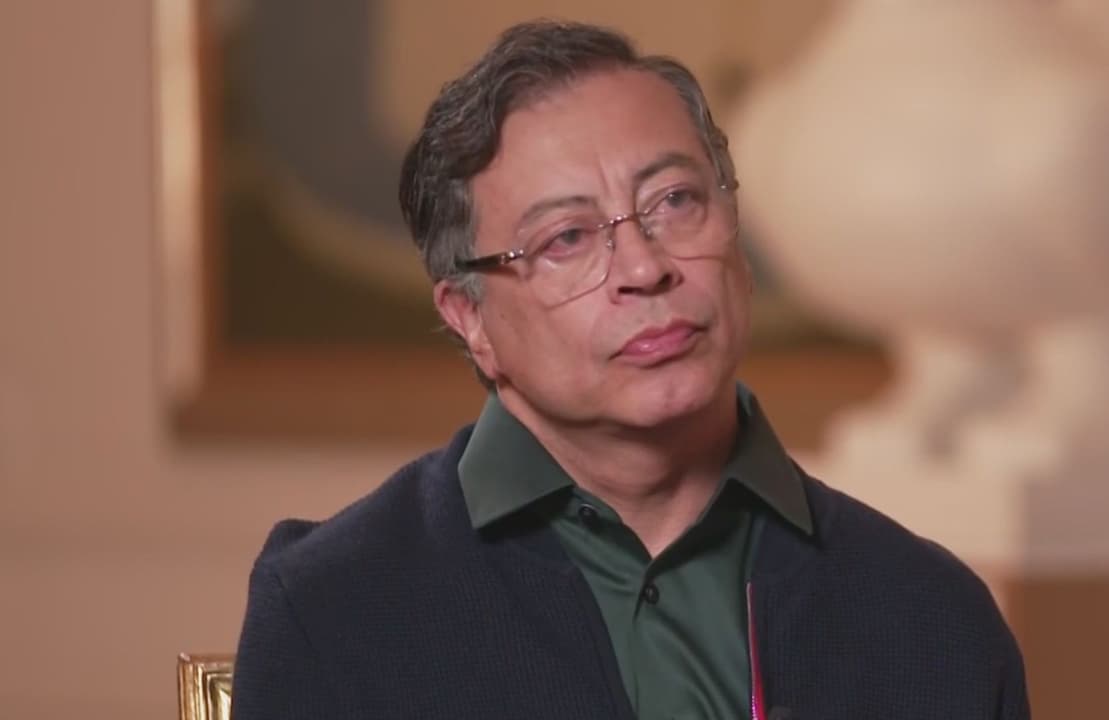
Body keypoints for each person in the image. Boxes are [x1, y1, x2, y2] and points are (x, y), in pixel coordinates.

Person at [231, 20, 1031, 720]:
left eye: (675, 201)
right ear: (471, 319)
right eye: (566, 239)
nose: (645, 269)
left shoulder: (931, 618)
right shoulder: (337, 609)